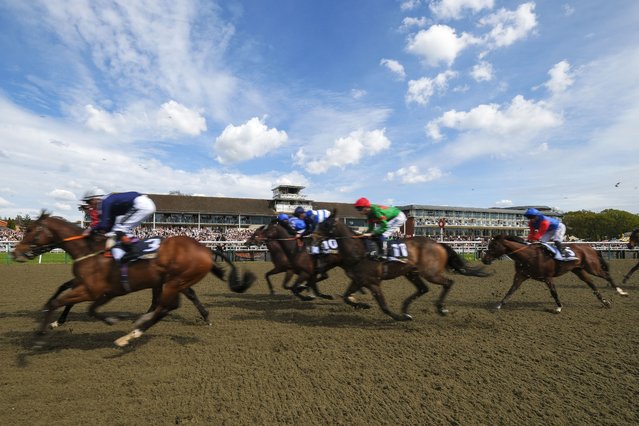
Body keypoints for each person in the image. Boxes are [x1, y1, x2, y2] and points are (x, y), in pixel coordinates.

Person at [80, 191, 156, 262]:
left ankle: (133, 251)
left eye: (89, 202)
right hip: (144, 204)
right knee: (118, 229)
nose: (90, 206)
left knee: (119, 228)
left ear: (95, 199)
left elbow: (104, 225)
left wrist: (90, 229)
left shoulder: (105, 202)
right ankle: (134, 247)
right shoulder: (109, 203)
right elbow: (108, 226)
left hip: (142, 205)